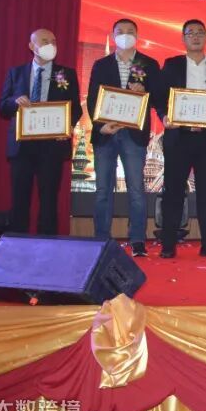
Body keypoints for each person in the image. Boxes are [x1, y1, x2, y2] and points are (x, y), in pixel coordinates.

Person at [154, 19, 206, 259]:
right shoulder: (172, 65)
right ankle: (168, 244)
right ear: (183, 38)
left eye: (200, 33)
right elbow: (159, 97)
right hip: (179, 138)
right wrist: (165, 116)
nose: (196, 36)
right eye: (191, 33)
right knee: (173, 192)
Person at [0, 28, 82, 235]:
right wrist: (14, 102)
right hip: (22, 145)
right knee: (20, 197)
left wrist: (68, 126)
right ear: (31, 46)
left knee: (49, 199)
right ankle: (18, 241)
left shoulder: (66, 74)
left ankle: (48, 242)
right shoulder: (16, 73)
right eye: (44, 41)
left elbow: (76, 108)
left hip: (52, 146)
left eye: (53, 41)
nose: (50, 45)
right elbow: (2, 106)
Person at [87, 18, 160, 256]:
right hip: (106, 133)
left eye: (130, 31)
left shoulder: (149, 64)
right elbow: (92, 98)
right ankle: (101, 240)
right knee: (102, 190)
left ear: (137, 36)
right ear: (113, 35)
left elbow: (159, 97)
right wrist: (100, 126)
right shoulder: (101, 64)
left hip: (134, 134)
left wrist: (145, 92)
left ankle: (137, 240)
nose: (125, 34)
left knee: (136, 189)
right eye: (121, 31)